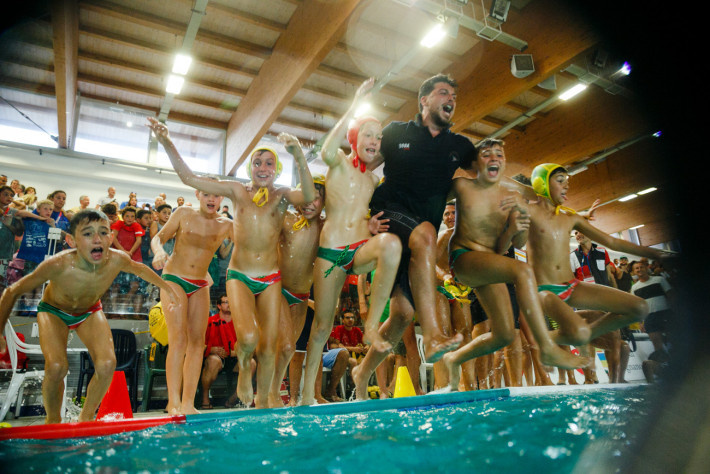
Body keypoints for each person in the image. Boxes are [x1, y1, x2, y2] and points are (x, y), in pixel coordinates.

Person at [148, 116, 316, 409]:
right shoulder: (235, 193)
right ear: (250, 169)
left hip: (266, 278)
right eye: (256, 163)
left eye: (268, 163)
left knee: (265, 344)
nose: (262, 168)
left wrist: (299, 156)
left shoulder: (279, 197)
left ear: (276, 169)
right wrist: (166, 141)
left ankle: (262, 400)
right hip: (222, 276)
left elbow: (310, 196)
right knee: (244, 338)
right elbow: (189, 178)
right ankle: (199, 392)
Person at [0, 209, 179, 423]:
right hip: (54, 311)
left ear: (111, 237)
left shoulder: (117, 259)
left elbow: (140, 269)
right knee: (57, 367)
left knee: (107, 365)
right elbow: (12, 291)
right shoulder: (58, 264)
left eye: (103, 232)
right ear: (72, 240)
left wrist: (167, 289)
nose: (97, 239)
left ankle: (85, 420)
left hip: (89, 311)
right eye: (87, 234)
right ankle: (53, 420)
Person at [437, 139, 588, 392]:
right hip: (463, 258)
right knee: (522, 271)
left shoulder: (512, 193)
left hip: (489, 263)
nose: (495, 158)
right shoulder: (461, 185)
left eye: (499, 154)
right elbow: (428, 195)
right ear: (476, 163)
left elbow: (520, 237)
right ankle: (547, 347)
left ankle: (455, 358)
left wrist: (521, 223)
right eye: (487, 154)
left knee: (505, 334)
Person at [302, 78, 401, 404]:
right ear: (356, 139)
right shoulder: (339, 163)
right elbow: (327, 148)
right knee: (321, 328)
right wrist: (356, 99)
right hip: (331, 253)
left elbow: (368, 212)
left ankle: (372, 325)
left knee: (391, 244)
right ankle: (306, 396)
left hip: (359, 248)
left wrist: (371, 222)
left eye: (379, 136)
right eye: (369, 134)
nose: (375, 140)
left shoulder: (374, 178)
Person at [506, 162, 674, 348]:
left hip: (572, 286)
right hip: (544, 290)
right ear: (542, 184)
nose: (567, 185)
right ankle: (559, 338)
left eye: (567, 181)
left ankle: (571, 337)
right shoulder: (527, 212)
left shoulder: (571, 218)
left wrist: (658, 255)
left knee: (639, 308)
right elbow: (518, 242)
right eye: (560, 180)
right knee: (577, 330)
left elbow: (613, 242)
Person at [365, 74, 471, 367]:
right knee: (425, 234)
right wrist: (361, 217)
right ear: (424, 100)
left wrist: (534, 195)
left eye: (454, 95)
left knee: (401, 316)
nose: (451, 99)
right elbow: (363, 168)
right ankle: (434, 335)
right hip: (390, 216)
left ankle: (362, 374)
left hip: (417, 246)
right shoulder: (398, 132)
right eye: (443, 93)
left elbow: (490, 172)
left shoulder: (458, 145)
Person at [267, 175, 326, 407]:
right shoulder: (287, 219)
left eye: (317, 199)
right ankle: (271, 394)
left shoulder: (324, 228)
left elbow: (341, 258)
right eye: (306, 198)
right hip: (278, 290)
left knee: (287, 351)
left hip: (302, 297)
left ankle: (271, 392)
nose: (310, 203)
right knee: (285, 346)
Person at [201, 294, 256, 409]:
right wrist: (211, 349)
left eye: (231, 302)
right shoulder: (209, 321)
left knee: (251, 363)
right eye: (226, 302)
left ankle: (234, 398)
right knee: (213, 361)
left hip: (235, 357)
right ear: (219, 306)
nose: (229, 305)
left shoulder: (240, 324)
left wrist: (235, 352)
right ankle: (205, 398)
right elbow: (198, 344)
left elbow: (251, 345)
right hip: (217, 357)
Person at [630, 259, 674, 354]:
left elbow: (671, 296)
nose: (639, 269)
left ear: (646, 268)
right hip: (649, 318)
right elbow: (636, 307)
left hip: (666, 314)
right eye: (636, 268)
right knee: (657, 346)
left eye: (641, 267)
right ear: (634, 272)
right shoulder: (634, 288)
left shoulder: (659, 280)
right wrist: (640, 323)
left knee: (674, 341)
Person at [0, 186, 25, 286]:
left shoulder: (14, 213)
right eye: (6, 194)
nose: (9, 197)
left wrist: (8, 225)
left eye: (11, 195)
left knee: (1, 282)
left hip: (4, 253)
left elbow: (18, 233)